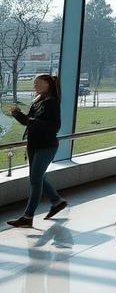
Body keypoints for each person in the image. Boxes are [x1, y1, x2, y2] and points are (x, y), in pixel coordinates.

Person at [6, 73, 66, 228]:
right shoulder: (38, 101)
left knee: (35, 179)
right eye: (34, 84)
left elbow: (54, 126)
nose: (35, 86)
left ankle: (28, 216)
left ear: (48, 84)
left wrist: (29, 120)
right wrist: (16, 114)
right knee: (38, 177)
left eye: (37, 83)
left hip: (46, 146)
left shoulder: (51, 102)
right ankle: (57, 201)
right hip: (34, 145)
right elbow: (29, 121)